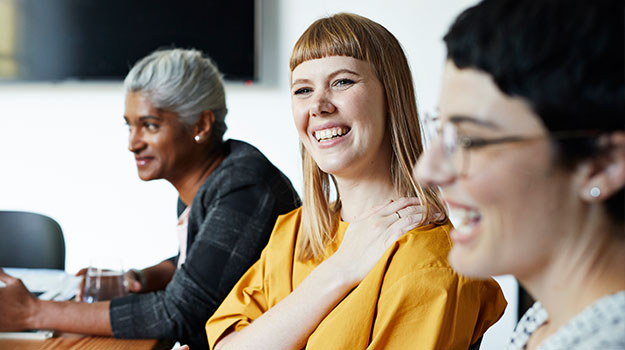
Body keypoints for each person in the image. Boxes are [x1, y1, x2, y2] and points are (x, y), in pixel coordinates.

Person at [205, 13, 506, 350]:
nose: (318, 106)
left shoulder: (429, 261)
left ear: (391, 97)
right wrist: (338, 271)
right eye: (303, 89)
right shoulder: (294, 233)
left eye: (343, 82)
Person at [0, 48, 300, 349]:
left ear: (201, 125)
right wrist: (140, 278)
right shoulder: (209, 179)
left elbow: (181, 311)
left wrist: (33, 312)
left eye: (150, 125)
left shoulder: (243, 186)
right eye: (129, 125)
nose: (133, 143)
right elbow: (204, 264)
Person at [414, 1, 625, 349]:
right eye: (443, 130)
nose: (427, 170)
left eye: (471, 140)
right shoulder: (546, 318)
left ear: (601, 164)